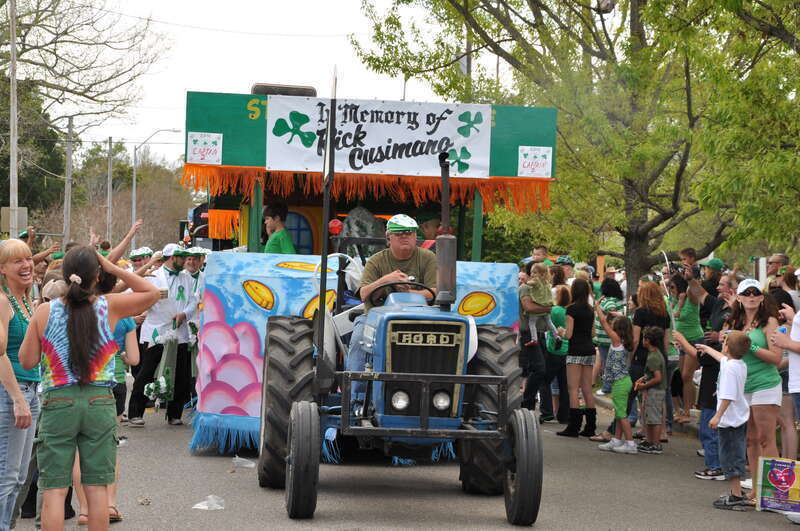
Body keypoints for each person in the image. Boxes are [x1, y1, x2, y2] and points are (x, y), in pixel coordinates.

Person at [18, 246, 158, 531]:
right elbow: (152, 293)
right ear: (97, 275)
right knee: (96, 488)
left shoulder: (45, 311)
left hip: (58, 402)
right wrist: (115, 267)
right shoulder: (111, 306)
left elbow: (27, 360)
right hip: (99, 401)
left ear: (66, 274)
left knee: (55, 489)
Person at [348, 214, 437, 399]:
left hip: (421, 318)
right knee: (358, 338)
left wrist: (407, 292)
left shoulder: (428, 258)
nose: (405, 236)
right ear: (389, 238)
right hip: (376, 321)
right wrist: (386, 280)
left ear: (415, 237)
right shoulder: (376, 261)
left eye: (409, 233)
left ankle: (438, 395)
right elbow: (364, 294)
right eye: (399, 233)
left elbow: (434, 292)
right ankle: (357, 399)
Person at [129, 244, 198, 427]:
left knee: (182, 374)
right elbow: (140, 299)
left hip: (180, 331)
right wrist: (151, 299)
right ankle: (136, 412)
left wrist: (184, 315)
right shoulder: (153, 276)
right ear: (171, 258)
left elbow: (193, 301)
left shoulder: (188, 278)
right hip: (156, 330)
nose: (185, 261)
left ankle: (175, 414)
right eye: (181, 257)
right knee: (146, 372)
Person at [723, 278, 782, 494]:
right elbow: (726, 357)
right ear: (738, 297)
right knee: (750, 439)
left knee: (766, 439)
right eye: (745, 293)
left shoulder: (770, 322)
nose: (750, 296)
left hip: (765, 384)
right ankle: (757, 491)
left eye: (755, 292)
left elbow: (776, 358)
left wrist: (750, 344)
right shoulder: (732, 323)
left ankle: (772, 492)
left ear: (761, 297)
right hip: (742, 387)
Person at [0, 240, 39, 531]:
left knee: (20, 476)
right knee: (7, 476)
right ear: (2, 269)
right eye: (17, 261)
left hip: (31, 391)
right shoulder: (2, 301)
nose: (26, 265)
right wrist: (17, 398)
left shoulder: (26, 299)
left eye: (28, 258)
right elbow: (0, 354)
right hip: (12, 393)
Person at [698, 331, 751, 510]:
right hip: (739, 418)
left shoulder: (729, 369)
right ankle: (736, 492)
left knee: (730, 457)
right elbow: (721, 358)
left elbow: (728, 395)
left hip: (729, 420)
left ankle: (736, 495)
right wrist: (706, 348)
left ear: (727, 346)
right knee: (735, 454)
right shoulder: (738, 364)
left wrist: (717, 415)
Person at [556, 278, 597, 437]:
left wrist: (561, 332)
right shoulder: (590, 309)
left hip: (575, 351)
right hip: (589, 349)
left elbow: (569, 334)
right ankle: (590, 426)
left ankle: (573, 426)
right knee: (587, 389)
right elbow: (593, 333)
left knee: (573, 389)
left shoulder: (571, 309)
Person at [594, 305, 636, 454]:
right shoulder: (625, 341)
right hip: (623, 380)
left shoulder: (617, 340)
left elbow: (604, 323)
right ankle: (616, 440)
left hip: (620, 382)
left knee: (622, 414)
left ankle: (630, 443)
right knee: (619, 413)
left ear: (617, 329)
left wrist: (597, 307)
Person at [668, 274, 704, 424]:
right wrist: (679, 300)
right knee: (682, 377)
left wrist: (689, 277)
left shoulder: (691, 298)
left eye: (673, 287)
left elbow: (693, 289)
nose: (670, 290)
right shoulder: (676, 300)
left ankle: (688, 412)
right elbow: (672, 313)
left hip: (694, 339)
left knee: (687, 376)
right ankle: (683, 409)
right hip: (682, 342)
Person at [634, 326, 666, 454]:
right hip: (655, 390)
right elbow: (651, 374)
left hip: (655, 391)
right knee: (650, 417)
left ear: (647, 340)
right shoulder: (656, 354)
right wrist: (642, 379)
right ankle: (650, 440)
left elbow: (658, 378)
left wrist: (643, 386)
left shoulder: (653, 357)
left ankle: (656, 444)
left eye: (643, 338)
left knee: (654, 418)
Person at [592, 278, 626, 396]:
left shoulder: (607, 300)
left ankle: (607, 387)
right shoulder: (620, 300)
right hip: (617, 337)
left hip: (605, 338)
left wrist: (604, 310)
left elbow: (610, 309)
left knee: (607, 363)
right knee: (615, 362)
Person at [523, 263, 560, 347]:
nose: (532, 274)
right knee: (549, 323)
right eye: (531, 272)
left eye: (535, 272)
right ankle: (557, 336)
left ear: (542, 274)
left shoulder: (536, 280)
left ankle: (534, 339)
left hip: (538, 304)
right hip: (547, 305)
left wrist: (525, 281)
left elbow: (529, 283)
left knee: (532, 323)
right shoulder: (547, 282)